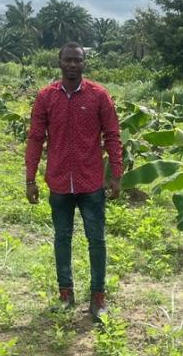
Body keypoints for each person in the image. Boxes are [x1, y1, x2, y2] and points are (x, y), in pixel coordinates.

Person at [25, 42, 122, 323]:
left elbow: (112, 135)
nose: (72, 65)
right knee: (62, 239)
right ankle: (66, 296)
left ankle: (98, 298)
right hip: (58, 181)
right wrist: (30, 178)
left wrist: (116, 174)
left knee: (97, 240)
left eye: (77, 60)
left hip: (91, 180)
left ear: (84, 64)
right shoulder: (46, 97)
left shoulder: (98, 95)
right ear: (59, 62)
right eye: (67, 60)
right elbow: (35, 138)